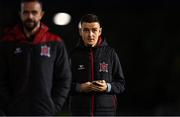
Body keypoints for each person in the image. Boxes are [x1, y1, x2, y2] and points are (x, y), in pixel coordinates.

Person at [0, 0, 71, 115]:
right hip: (15, 112)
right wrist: (8, 105)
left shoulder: (55, 43)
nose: (30, 16)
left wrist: (54, 106)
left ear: (41, 14)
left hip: (44, 112)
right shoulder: (7, 42)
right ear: (20, 14)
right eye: (26, 12)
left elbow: (64, 78)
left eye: (34, 12)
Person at [70, 14, 125, 116]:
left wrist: (107, 87)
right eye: (86, 30)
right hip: (80, 113)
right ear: (80, 32)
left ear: (100, 31)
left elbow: (121, 84)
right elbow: (64, 85)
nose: (90, 35)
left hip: (106, 113)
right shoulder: (73, 56)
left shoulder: (110, 54)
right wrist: (80, 87)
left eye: (94, 30)